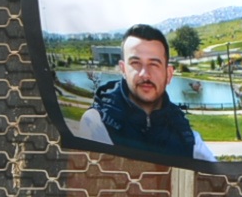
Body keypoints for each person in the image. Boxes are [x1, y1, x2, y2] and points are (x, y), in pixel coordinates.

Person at [64, 25, 216, 164]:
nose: (145, 74)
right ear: (123, 69)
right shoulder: (97, 123)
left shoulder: (185, 134)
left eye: (154, 64)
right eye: (136, 63)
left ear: (169, 74)